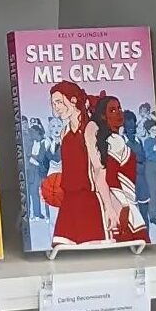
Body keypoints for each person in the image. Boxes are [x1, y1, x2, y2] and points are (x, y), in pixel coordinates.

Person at [48, 81, 106, 246]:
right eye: (53, 103)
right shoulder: (64, 132)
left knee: (91, 250)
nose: (56, 107)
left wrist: (109, 205)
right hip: (68, 200)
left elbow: (99, 169)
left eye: (59, 101)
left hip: (88, 199)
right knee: (61, 248)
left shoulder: (90, 128)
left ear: (73, 100)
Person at [93, 96, 149, 244]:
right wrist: (124, 205)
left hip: (127, 201)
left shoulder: (116, 140)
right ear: (103, 116)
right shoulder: (114, 141)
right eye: (112, 110)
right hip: (123, 206)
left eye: (119, 108)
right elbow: (110, 177)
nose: (118, 113)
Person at [124, 110, 151, 227]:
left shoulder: (138, 141)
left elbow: (143, 158)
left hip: (142, 182)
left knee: (145, 214)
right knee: (131, 217)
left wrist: (135, 159)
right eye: (128, 125)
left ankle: (147, 240)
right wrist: (136, 159)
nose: (131, 128)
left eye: (133, 124)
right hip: (128, 184)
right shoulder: (121, 141)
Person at [141, 119, 156, 227]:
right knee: (152, 192)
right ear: (149, 131)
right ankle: (152, 216)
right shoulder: (147, 141)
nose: (155, 131)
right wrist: (155, 148)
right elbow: (147, 155)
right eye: (153, 129)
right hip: (150, 167)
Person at [24, 121, 47, 221]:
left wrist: (35, 161)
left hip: (39, 171)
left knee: (38, 192)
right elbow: (30, 156)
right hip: (32, 171)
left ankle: (39, 213)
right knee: (31, 192)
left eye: (34, 133)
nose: (32, 135)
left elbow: (40, 157)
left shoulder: (43, 142)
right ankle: (32, 214)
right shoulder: (31, 143)